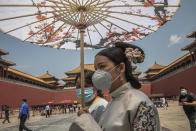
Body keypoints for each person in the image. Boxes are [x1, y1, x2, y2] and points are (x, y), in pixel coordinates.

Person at [73, 42, 160, 131]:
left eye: (102, 66)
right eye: (96, 69)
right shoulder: (110, 104)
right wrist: (88, 120)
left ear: (121, 68)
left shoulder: (140, 104)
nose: (97, 73)